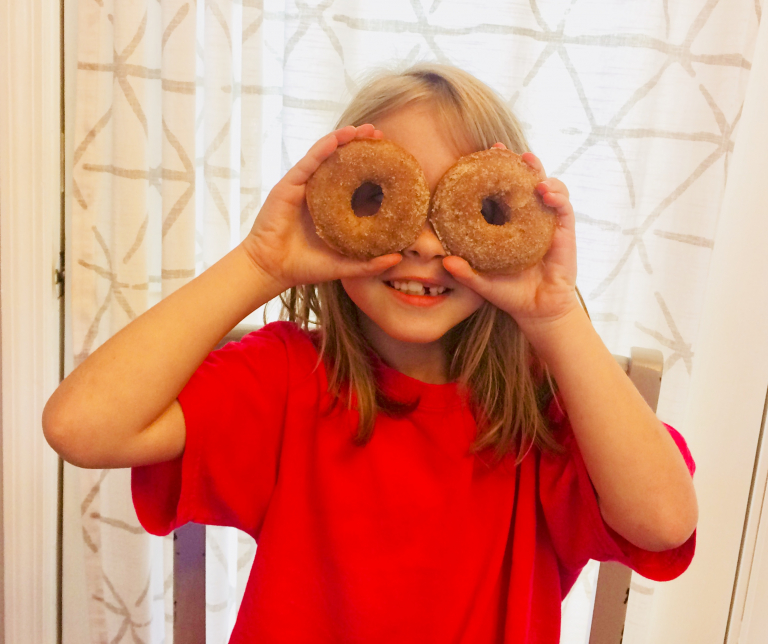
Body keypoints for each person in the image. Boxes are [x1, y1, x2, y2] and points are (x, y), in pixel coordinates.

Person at [43, 63, 698, 643]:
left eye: (461, 212)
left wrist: (555, 317)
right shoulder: (288, 380)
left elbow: (664, 521)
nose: (423, 245)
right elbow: (82, 426)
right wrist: (260, 263)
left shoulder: (543, 414)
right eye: (382, 200)